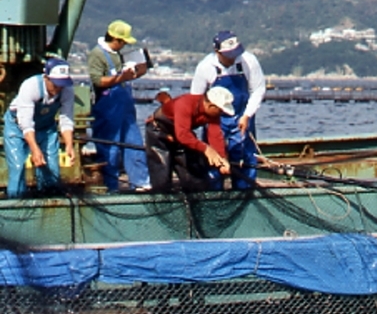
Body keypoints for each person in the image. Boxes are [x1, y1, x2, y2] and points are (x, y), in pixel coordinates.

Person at [190, 31, 265, 190]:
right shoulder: (205, 67)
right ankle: (214, 191)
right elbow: (196, 99)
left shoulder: (248, 61)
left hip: (241, 115)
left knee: (244, 156)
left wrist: (247, 115)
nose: (232, 58)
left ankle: (245, 190)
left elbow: (258, 90)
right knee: (215, 158)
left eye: (235, 53)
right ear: (217, 51)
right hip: (215, 118)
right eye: (228, 55)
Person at [87, 19, 150, 192]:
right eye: (123, 42)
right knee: (110, 148)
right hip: (107, 107)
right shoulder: (97, 54)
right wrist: (121, 78)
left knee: (134, 143)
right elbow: (98, 80)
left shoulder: (119, 54)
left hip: (125, 108)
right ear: (115, 39)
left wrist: (139, 70)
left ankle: (141, 182)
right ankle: (110, 185)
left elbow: (124, 78)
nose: (124, 46)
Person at [3, 58, 77, 198]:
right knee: (18, 167)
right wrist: (35, 150)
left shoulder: (67, 90)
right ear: (46, 78)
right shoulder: (30, 87)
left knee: (50, 167)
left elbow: (66, 119)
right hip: (17, 126)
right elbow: (26, 123)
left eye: (61, 85)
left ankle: (50, 199)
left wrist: (69, 144)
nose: (58, 89)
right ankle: (15, 199)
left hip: (46, 127)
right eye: (55, 84)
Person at [145, 88, 233, 193]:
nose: (221, 114)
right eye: (220, 110)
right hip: (159, 133)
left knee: (195, 180)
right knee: (162, 181)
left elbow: (215, 135)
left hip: (182, 135)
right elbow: (183, 135)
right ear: (211, 106)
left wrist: (222, 159)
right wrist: (206, 149)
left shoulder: (214, 114)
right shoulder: (185, 104)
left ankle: (194, 199)